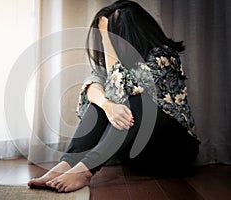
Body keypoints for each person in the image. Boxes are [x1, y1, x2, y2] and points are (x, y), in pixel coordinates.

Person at [28, 0, 200, 193]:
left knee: (138, 101)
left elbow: (124, 89)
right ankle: (66, 165)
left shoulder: (163, 56)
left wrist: (107, 41)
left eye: (112, 35)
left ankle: (84, 172)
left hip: (174, 154)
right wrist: (107, 105)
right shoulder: (112, 64)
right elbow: (91, 87)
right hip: (137, 156)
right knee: (102, 102)